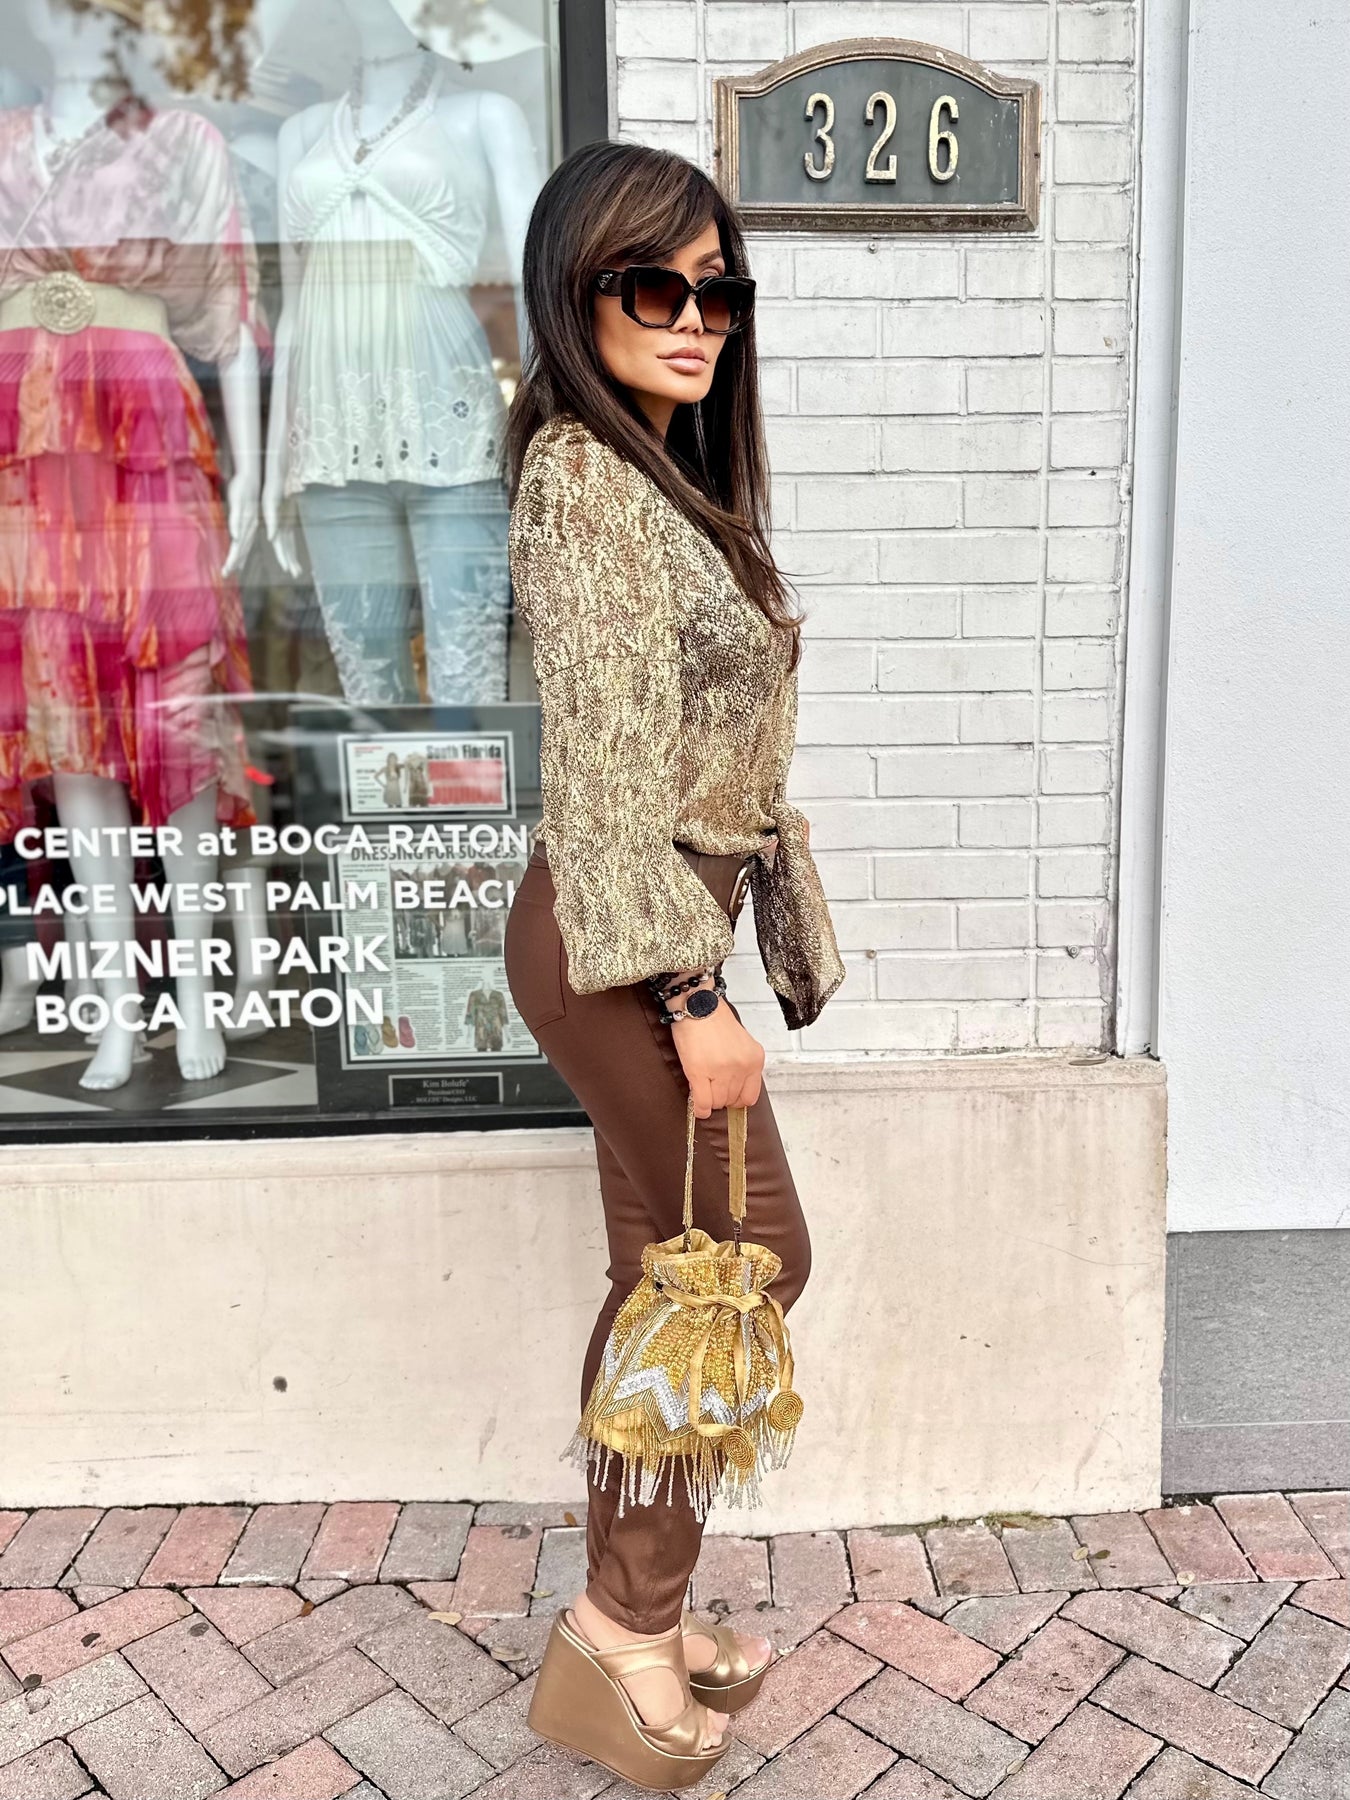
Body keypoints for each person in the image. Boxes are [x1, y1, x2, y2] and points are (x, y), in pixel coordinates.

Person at [501, 141, 844, 1790]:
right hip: (623, 943)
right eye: (656, 285)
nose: (696, 316)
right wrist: (695, 1000)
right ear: (578, 295)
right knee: (748, 1260)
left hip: (641, 928)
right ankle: (619, 1631)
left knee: (674, 1272)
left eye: (718, 289)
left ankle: (632, 1615)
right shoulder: (584, 478)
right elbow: (603, 774)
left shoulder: (651, 479)